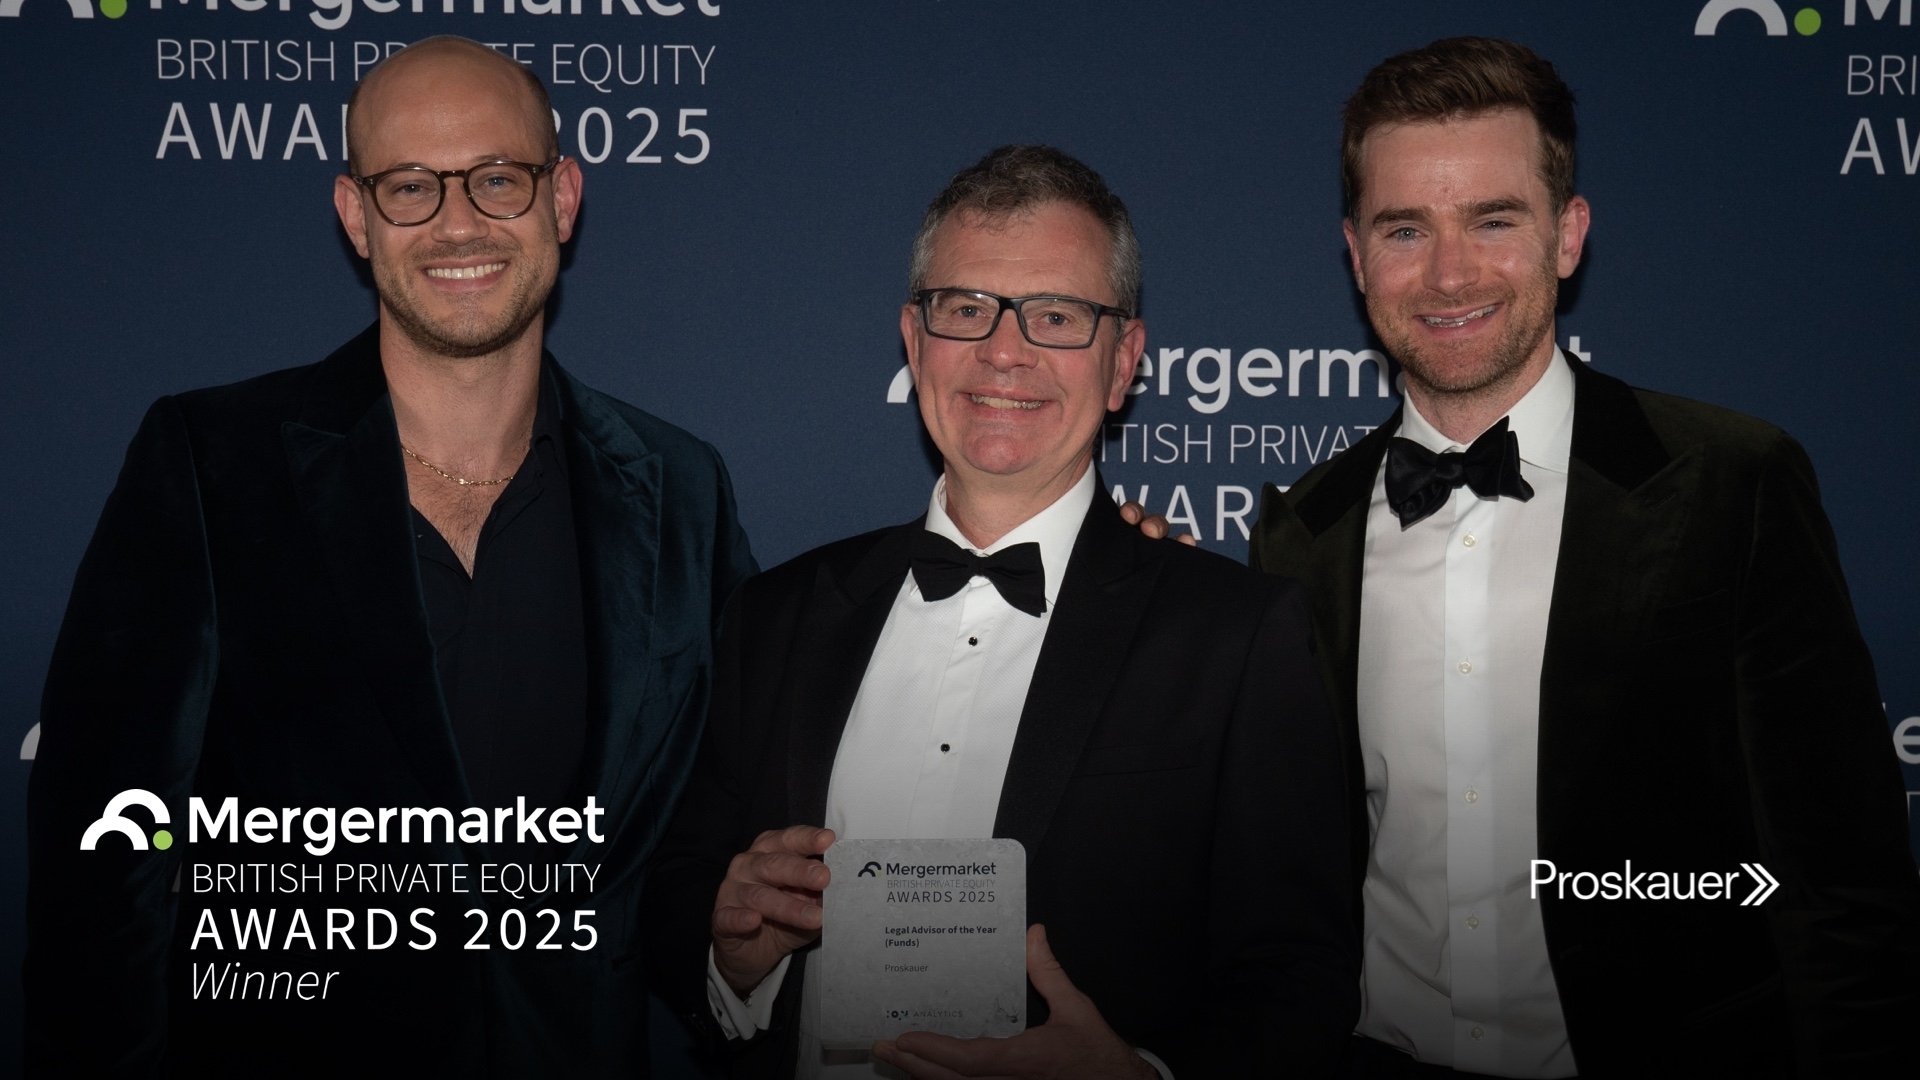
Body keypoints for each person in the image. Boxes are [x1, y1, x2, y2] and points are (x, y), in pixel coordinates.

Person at [24, 36, 755, 1077]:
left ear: (562, 198)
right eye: (411, 186)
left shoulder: (681, 486)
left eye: (497, 177)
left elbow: (699, 838)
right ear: (356, 215)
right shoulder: (211, 463)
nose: (458, 222)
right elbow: (107, 855)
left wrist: (729, 947)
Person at [1240, 36, 1920, 1078]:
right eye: (1406, 228)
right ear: (1357, 253)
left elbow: (1841, 882)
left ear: (1567, 235)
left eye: (1494, 220)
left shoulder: (1730, 482)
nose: (1450, 272)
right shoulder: (1301, 533)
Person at [639, 145, 1357, 1079]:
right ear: (914, 340)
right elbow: (680, 889)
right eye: (966, 307)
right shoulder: (776, 614)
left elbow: (1300, 975)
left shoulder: (1236, 635)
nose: (1005, 351)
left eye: (1056, 315)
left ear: (1123, 363)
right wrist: (731, 956)